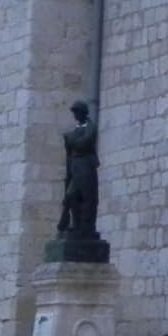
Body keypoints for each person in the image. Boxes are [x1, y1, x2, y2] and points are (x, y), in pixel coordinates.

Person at [57, 100, 99, 239]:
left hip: (86, 167)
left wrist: (71, 140)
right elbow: (71, 149)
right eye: (74, 112)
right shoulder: (76, 129)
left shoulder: (90, 127)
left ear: (83, 113)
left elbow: (84, 143)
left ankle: (86, 225)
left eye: (76, 112)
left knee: (86, 196)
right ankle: (76, 223)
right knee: (70, 195)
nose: (75, 115)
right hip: (75, 168)